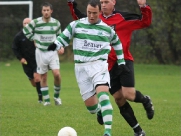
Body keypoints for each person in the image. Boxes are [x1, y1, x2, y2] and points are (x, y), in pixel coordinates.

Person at [67, 0, 154, 135]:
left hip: (123, 61)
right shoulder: (96, 18)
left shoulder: (124, 18)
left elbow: (145, 22)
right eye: (101, 2)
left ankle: (145, 100)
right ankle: (138, 131)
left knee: (128, 94)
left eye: (106, 1)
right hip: (105, 65)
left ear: (114, 2)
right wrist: (71, 3)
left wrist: (143, 6)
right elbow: (79, 21)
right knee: (119, 99)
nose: (103, 4)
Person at [48, 0, 129, 135]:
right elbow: (61, 38)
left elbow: (117, 43)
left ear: (100, 12)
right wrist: (53, 47)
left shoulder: (107, 29)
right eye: (89, 13)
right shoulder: (76, 25)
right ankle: (98, 112)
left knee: (103, 95)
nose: (91, 16)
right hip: (81, 68)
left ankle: (107, 131)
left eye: (95, 13)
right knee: (91, 107)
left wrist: (121, 62)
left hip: (99, 65)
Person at [23, 2, 64, 106]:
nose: (46, 12)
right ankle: (47, 101)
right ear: (42, 11)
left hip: (52, 52)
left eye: (47, 10)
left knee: (57, 74)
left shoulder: (56, 23)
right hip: (40, 52)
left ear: (51, 11)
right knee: (44, 77)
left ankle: (57, 97)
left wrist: (61, 46)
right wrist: (34, 39)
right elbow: (26, 31)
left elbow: (60, 37)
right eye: (44, 10)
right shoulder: (36, 22)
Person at [12, 18, 43, 103]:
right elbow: (15, 48)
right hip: (26, 62)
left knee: (37, 78)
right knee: (34, 83)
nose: (26, 24)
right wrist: (20, 58)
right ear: (23, 24)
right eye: (25, 23)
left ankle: (40, 98)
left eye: (28, 23)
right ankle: (40, 88)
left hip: (37, 60)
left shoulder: (36, 34)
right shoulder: (19, 36)